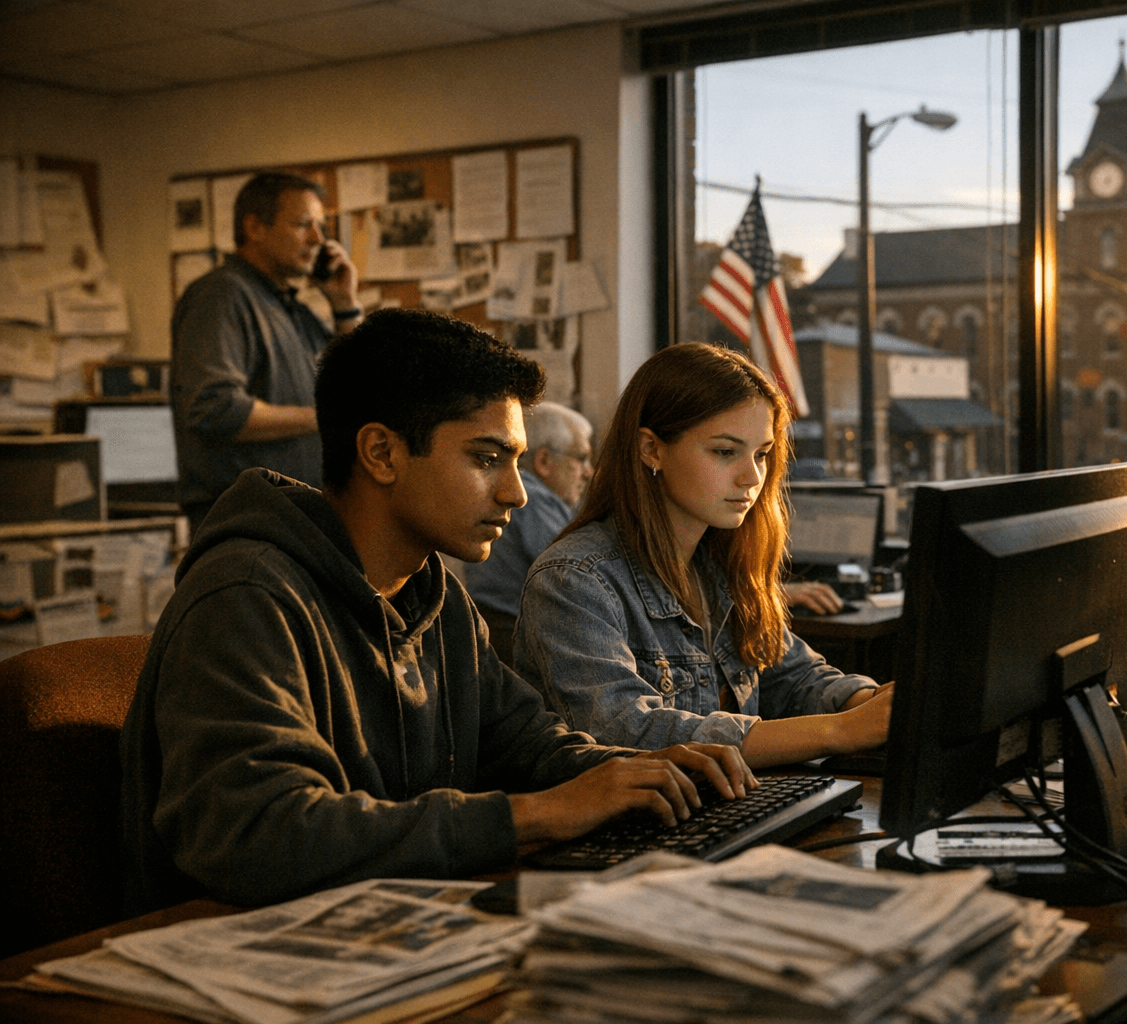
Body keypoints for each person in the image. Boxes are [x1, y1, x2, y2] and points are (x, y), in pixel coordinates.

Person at [120, 310, 752, 914]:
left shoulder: (433, 595)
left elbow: (527, 743)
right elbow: (258, 834)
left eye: (516, 460)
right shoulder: (247, 595)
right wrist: (538, 813)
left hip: (394, 917)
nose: (516, 491)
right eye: (485, 458)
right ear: (382, 453)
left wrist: (641, 774)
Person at [511, 342, 892, 769]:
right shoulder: (574, 579)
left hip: (725, 808)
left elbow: (792, 677)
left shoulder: (719, 563)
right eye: (725, 451)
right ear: (651, 449)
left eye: (762, 454)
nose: (752, 476)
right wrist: (842, 730)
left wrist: (874, 705)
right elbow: (628, 732)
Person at [171, 171, 363, 534]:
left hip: (298, 522)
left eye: (321, 227)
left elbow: (355, 388)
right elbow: (215, 409)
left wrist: (345, 305)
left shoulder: (292, 309)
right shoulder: (221, 296)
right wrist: (324, 418)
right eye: (304, 225)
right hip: (246, 526)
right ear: (256, 227)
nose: (318, 240)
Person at [461, 402, 593, 661]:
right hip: (513, 637)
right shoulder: (534, 499)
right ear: (544, 461)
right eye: (581, 458)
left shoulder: (520, 496)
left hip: (491, 631)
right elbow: (579, 577)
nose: (589, 472)